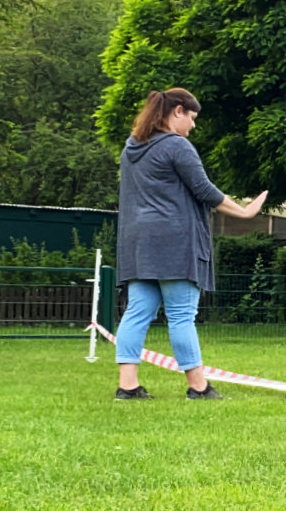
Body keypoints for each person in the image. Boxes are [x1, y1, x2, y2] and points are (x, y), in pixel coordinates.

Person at [114, 88, 267, 400]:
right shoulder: (176, 146)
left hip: (138, 243)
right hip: (175, 243)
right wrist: (245, 211)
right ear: (178, 111)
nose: (193, 126)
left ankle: (127, 387)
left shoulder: (132, 148)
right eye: (192, 118)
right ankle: (198, 387)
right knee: (182, 315)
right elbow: (204, 189)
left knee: (136, 312)